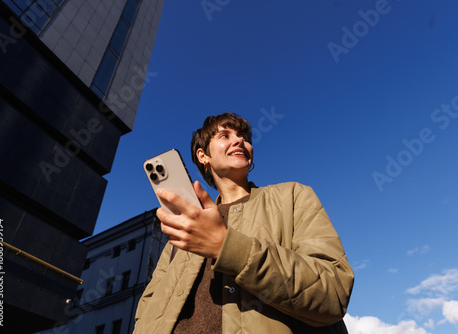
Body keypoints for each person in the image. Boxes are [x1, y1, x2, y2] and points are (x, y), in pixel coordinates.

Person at [133, 113, 354, 333]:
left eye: (243, 137)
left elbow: (333, 292)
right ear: (203, 156)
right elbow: (147, 308)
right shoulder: (186, 228)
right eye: (225, 135)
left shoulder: (293, 196)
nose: (239, 141)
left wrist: (226, 248)